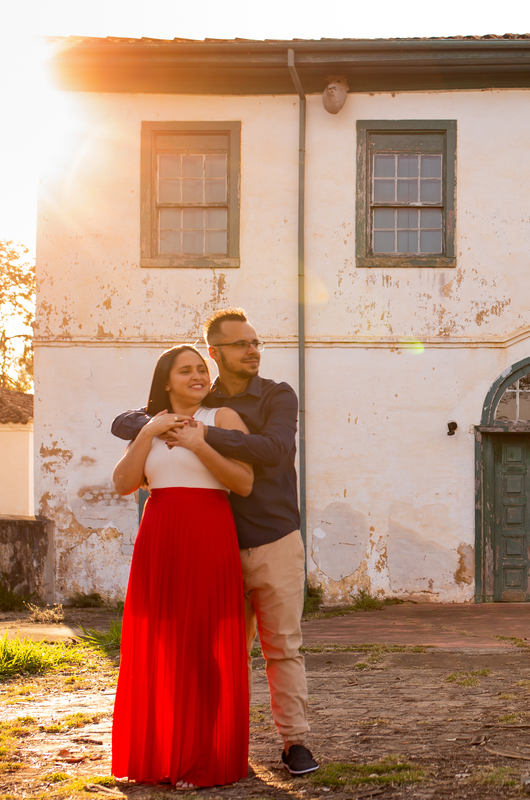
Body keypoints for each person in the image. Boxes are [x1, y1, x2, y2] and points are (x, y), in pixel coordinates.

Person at [111, 309, 318, 777]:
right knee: (217, 652)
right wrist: (155, 425)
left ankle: (295, 742)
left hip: (272, 537)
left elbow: (274, 449)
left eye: (255, 342)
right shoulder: (203, 396)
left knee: (282, 645)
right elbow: (125, 419)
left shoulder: (276, 395)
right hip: (215, 545)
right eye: (241, 344)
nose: (253, 350)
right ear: (215, 353)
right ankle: (218, 745)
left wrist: (201, 436)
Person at [110, 345, 253, 789]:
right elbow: (123, 484)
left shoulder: (224, 417)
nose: (197, 376)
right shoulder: (147, 425)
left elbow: (244, 482)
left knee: (203, 644)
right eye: (185, 370)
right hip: (160, 533)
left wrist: (198, 442)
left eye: (201, 370)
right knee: (161, 643)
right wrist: (150, 430)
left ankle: (203, 756)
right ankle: (159, 755)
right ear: (166, 381)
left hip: (208, 530)